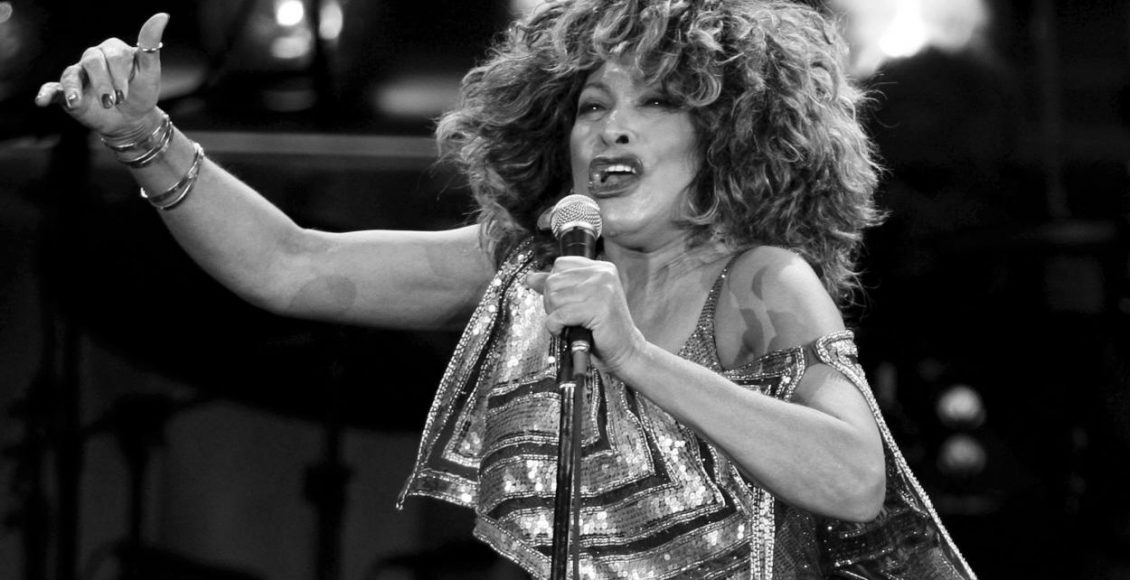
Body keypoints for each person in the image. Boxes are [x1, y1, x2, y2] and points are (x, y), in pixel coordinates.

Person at [36, 1, 977, 578]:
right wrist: (143, 137)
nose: (611, 128)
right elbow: (291, 265)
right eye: (594, 105)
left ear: (728, 135)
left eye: (656, 101)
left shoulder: (762, 281)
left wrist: (633, 354)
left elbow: (855, 482)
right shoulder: (532, 264)